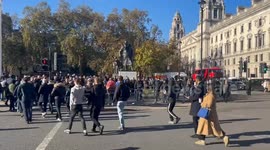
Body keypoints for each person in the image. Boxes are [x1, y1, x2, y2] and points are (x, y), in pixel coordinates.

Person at [195, 82, 230, 147]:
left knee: (213, 128)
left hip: (208, 114)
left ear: (209, 89)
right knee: (207, 127)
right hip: (208, 114)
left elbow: (209, 104)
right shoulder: (209, 94)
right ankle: (202, 140)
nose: (206, 88)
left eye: (207, 87)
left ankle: (224, 137)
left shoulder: (210, 95)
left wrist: (202, 104)